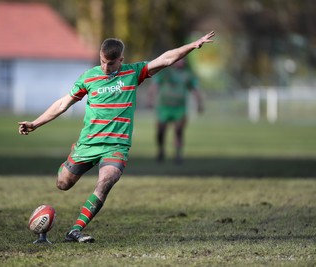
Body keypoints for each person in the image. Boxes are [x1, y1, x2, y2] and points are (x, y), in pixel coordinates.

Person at [18, 31, 215, 243]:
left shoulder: (133, 73)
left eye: (111, 64)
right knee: (63, 184)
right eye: (102, 62)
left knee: (106, 181)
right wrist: (35, 123)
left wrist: (192, 45)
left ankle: (75, 230)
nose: (105, 67)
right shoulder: (88, 77)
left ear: (121, 59)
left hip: (116, 146)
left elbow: (166, 59)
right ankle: (72, 155)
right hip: (88, 143)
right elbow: (63, 103)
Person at [150, 59, 204, 164]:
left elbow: (195, 89)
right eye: (178, 60)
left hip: (179, 108)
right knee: (161, 131)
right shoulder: (165, 73)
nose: (180, 62)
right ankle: (161, 151)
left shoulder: (188, 75)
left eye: (182, 60)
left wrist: (199, 103)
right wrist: (151, 98)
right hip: (164, 106)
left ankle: (178, 155)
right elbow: (155, 85)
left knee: (179, 131)